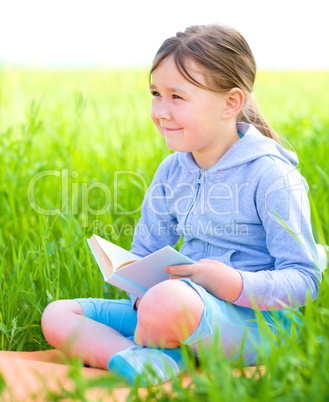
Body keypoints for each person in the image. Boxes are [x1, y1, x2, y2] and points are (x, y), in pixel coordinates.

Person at [41, 24, 322, 386]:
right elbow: (145, 251)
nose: (161, 110)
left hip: (254, 324)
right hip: (173, 306)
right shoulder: (173, 170)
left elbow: (304, 279)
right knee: (59, 314)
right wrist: (136, 282)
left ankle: (155, 349)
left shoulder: (273, 177)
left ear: (231, 103)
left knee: (167, 302)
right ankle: (147, 357)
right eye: (156, 93)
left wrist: (231, 283)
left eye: (177, 97)